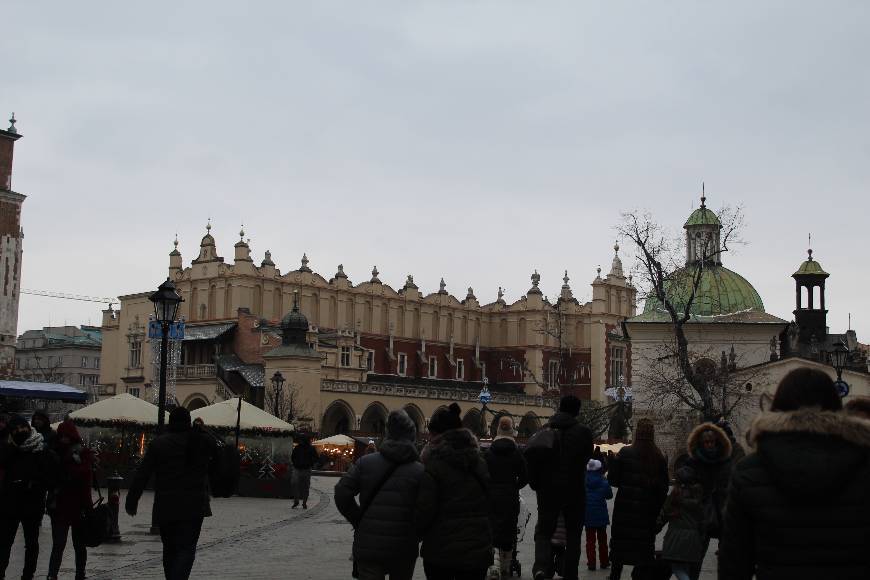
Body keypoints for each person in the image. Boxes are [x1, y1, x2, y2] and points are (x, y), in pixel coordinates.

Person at [719, 368, 870, 580]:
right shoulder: (863, 463)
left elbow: (734, 560)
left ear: (778, 406)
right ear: (836, 406)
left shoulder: (750, 471)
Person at [126, 407, 217, 580]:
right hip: (193, 506)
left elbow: (143, 473)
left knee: (170, 549)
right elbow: (218, 456)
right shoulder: (201, 441)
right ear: (188, 421)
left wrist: (132, 500)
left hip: (166, 505)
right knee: (186, 549)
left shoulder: (159, 443)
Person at [335, 409, 424, 580]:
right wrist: (415, 532)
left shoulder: (366, 462)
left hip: (369, 545)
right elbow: (427, 508)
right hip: (403, 547)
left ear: (387, 434)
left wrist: (358, 518)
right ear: (412, 437)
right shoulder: (419, 471)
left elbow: (341, 492)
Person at [416, 403, 492, 580]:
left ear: (437, 435)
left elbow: (424, 510)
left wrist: (414, 535)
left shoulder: (433, 466)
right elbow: (491, 502)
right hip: (478, 550)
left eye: (431, 433)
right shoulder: (480, 463)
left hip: (441, 552)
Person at [526, 395, 593, 580]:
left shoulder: (544, 429)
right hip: (574, 490)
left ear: (560, 408)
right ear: (577, 411)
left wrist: (536, 483)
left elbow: (532, 459)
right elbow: (586, 458)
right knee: (573, 535)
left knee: (544, 532)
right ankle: (570, 573)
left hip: (548, 491)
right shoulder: (583, 432)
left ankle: (540, 567)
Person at [608, 418, 669, 580]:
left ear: (637, 434)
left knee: (619, 551)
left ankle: (615, 576)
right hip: (646, 515)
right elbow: (663, 490)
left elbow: (614, 481)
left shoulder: (625, 453)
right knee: (642, 555)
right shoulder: (658, 457)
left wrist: (613, 462)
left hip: (624, 512)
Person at [0, 415, 57, 580]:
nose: (19, 432)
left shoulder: (41, 449)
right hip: (10, 503)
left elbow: (50, 477)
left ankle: (28, 575)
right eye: (15, 430)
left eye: (21, 428)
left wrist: (34, 482)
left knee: (31, 542)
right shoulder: (10, 448)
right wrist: (12, 448)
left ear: (28, 427)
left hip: (32, 503)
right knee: (4, 541)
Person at [678, 421, 732, 579]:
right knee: (696, 556)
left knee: (726, 558)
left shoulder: (725, 460)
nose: (709, 445)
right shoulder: (694, 461)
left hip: (723, 513)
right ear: (701, 443)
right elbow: (684, 479)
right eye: (706, 442)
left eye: (712, 442)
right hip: (701, 514)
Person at [47, 419, 93, 580]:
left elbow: (85, 479)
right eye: (61, 436)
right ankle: (52, 574)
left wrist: (87, 506)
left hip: (77, 505)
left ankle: (80, 573)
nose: (63, 439)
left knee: (79, 544)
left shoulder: (82, 453)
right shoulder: (54, 453)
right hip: (60, 505)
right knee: (59, 544)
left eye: (66, 436)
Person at [483, 415, 528, 578]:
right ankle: (506, 567)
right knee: (509, 530)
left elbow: (483, 475)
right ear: (511, 431)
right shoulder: (516, 453)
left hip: (492, 496)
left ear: (498, 430)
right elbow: (524, 476)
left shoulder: (488, 453)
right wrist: (514, 486)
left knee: (493, 528)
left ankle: (493, 566)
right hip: (510, 495)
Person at [656, 466, 705, 580]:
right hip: (693, 540)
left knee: (677, 568)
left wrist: (655, 528)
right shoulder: (698, 498)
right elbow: (703, 520)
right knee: (685, 568)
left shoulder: (674, 497)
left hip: (676, 539)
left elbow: (663, 515)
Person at [584, 459, 613, 571]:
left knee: (590, 541)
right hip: (601, 515)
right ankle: (604, 562)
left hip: (588, 515)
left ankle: (591, 563)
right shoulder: (603, 481)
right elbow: (609, 495)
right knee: (602, 540)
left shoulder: (584, 481)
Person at [291, 434, 319, 509]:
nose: (301, 441)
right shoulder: (297, 448)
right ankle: (296, 500)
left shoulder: (311, 448)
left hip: (306, 469)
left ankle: (304, 502)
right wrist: (295, 463)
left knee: (305, 486)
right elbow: (293, 457)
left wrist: (310, 463)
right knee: (294, 483)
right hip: (297, 468)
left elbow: (316, 458)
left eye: (302, 440)